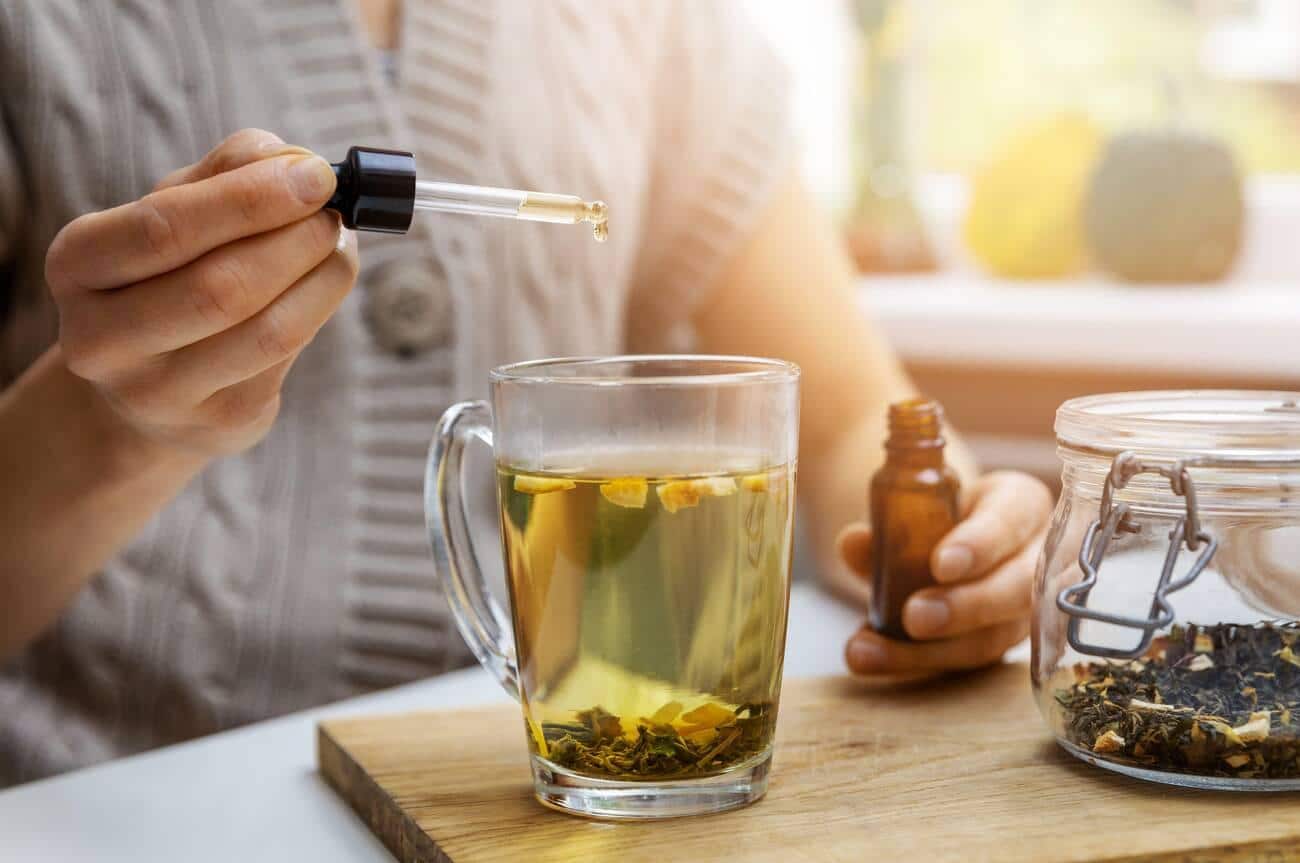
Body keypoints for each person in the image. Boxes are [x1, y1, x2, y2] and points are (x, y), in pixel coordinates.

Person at [0, 0, 1051, 786]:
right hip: (119, 804)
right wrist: (114, 426)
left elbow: (843, 420)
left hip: (576, 796)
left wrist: (956, 537)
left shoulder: (651, 28)